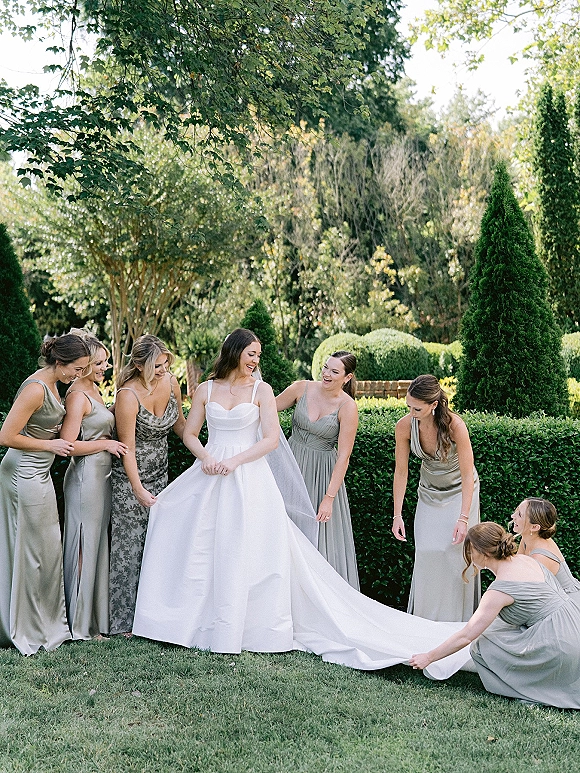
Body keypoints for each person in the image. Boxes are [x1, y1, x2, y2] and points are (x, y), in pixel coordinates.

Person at [132, 329, 473, 679]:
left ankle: (247, 622)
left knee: (248, 546)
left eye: (259, 355)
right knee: (199, 539)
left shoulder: (261, 390)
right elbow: (190, 433)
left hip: (248, 473)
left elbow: (269, 440)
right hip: (209, 469)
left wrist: (235, 462)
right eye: (252, 354)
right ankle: (190, 618)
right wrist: (206, 457)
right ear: (234, 352)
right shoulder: (205, 389)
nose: (256, 361)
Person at [409, 522, 580, 709]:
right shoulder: (527, 560)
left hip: (559, 645)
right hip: (575, 625)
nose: (469, 556)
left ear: (483, 552)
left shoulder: (498, 590)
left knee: (482, 643)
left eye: (470, 551)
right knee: (496, 629)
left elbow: (467, 635)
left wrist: (429, 657)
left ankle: (531, 691)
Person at [0, 334, 90, 654]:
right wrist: (49, 444)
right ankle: (26, 628)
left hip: (39, 473)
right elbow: (6, 436)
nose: (78, 375)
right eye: (76, 369)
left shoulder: (55, 385)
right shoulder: (36, 388)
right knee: (32, 551)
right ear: (59, 361)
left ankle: (46, 624)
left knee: (47, 549)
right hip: (23, 473)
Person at [109, 334, 185, 635]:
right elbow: (126, 446)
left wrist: (206, 451)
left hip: (162, 475)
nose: (163, 370)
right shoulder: (127, 396)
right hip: (130, 479)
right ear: (139, 365)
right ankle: (122, 622)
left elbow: (180, 425)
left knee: (157, 544)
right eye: (157, 365)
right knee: (128, 547)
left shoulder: (172, 383)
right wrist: (138, 488)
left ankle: (152, 616)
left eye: (166, 364)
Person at [392, 374, 480, 622]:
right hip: (429, 492)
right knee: (427, 552)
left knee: (453, 555)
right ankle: (426, 621)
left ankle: (455, 624)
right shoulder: (404, 426)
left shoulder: (455, 426)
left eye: (417, 408)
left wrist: (463, 519)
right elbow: (401, 471)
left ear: (434, 405)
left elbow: (466, 474)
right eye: (408, 406)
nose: (411, 412)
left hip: (460, 493)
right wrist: (397, 514)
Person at [60, 330, 128, 640]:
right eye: (99, 363)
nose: (104, 368)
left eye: (105, 363)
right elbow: (68, 445)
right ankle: (80, 624)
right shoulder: (77, 395)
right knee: (85, 545)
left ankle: (97, 622)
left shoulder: (95, 391)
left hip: (101, 478)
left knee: (97, 544)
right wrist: (106, 445)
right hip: (85, 477)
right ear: (84, 364)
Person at [275, 351, 359, 588]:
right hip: (290, 467)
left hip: (322, 476)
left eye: (335, 371)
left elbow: (343, 456)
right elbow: (266, 409)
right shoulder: (301, 388)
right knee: (283, 528)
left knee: (316, 538)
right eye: (325, 368)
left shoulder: (347, 406)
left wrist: (329, 498)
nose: (327, 374)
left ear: (347, 377)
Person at [512, 497, 580, 600]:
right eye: (516, 511)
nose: (513, 516)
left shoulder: (540, 557)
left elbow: (526, 590)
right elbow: (516, 569)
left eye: (520, 515)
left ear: (534, 527)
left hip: (568, 602)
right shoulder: (527, 539)